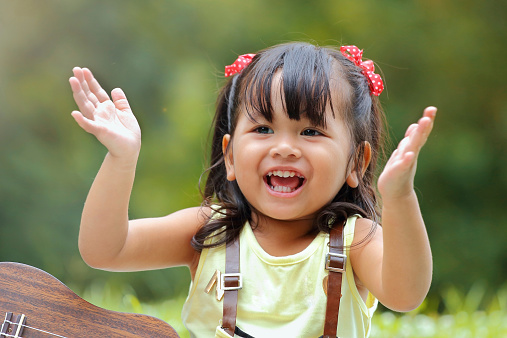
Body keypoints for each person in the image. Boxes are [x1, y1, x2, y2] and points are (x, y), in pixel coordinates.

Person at [69, 42, 434, 337]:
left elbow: (405, 294)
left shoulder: (354, 240)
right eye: (262, 129)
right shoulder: (210, 229)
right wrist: (122, 158)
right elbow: (106, 250)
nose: (284, 147)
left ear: (356, 162)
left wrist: (400, 196)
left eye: (311, 131)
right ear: (229, 156)